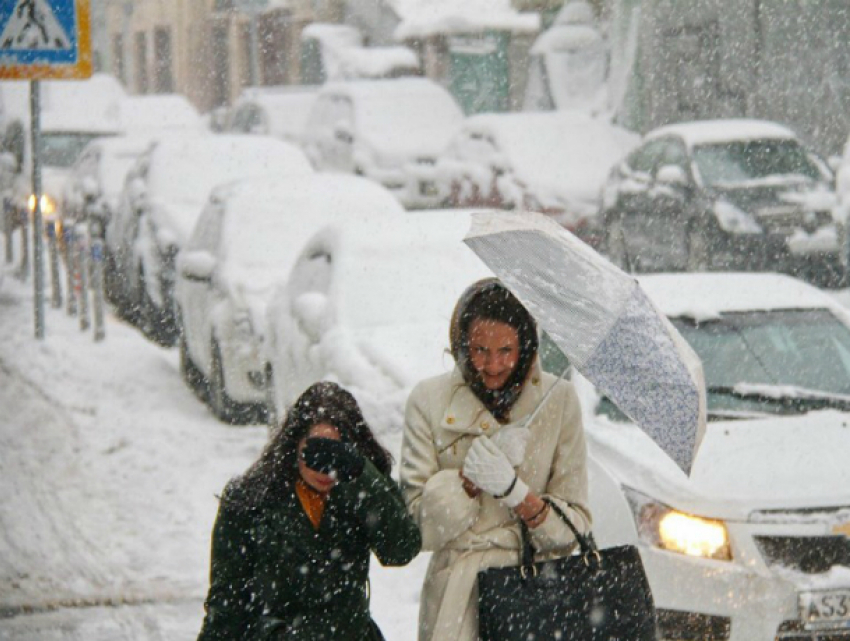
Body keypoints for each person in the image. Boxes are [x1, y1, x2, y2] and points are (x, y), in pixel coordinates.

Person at [400, 278, 591, 640]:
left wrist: (517, 494)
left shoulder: (559, 400)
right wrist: (469, 482)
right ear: (460, 345)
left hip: (535, 593)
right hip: (457, 596)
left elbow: (576, 524)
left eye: (506, 350)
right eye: (479, 350)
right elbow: (415, 527)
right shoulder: (427, 400)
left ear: (527, 346)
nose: (492, 365)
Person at [198, 381, 422, 641]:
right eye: (316, 452)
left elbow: (400, 549)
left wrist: (360, 472)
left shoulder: (360, 492)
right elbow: (227, 603)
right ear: (294, 444)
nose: (325, 468)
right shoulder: (250, 502)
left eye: (336, 453)